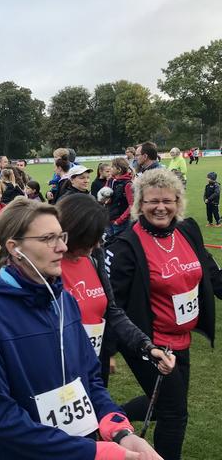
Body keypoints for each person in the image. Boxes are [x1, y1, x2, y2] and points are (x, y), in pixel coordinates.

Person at [0, 197, 163, 459]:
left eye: (61, 236)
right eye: (48, 238)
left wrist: (120, 431)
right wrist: (92, 452)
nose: (62, 247)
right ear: (14, 248)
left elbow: (90, 378)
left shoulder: (65, 300)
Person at [105, 168, 222, 460]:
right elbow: (113, 303)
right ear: (140, 204)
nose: (161, 207)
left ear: (178, 202)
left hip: (181, 338)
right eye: (152, 201)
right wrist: (109, 351)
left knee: (166, 402)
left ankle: (110, 418)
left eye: (168, 200)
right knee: (174, 412)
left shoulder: (187, 230)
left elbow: (209, 271)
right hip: (149, 341)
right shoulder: (126, 245)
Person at [57, 194, 175, 384]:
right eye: (91, 238)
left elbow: (113, 311)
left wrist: (147, 346)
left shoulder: (94, 256)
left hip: (95, 366)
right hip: (61, 371)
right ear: (73, 233)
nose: (97, 244)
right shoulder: (46, 268)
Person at [107, 158, 134, 238]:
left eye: (112, 167)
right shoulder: (111, 181)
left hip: (120, 223)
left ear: (119, 170)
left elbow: (132, 205)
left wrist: (120, 220)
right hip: (110, 219)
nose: (110, 168)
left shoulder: (127, 184)